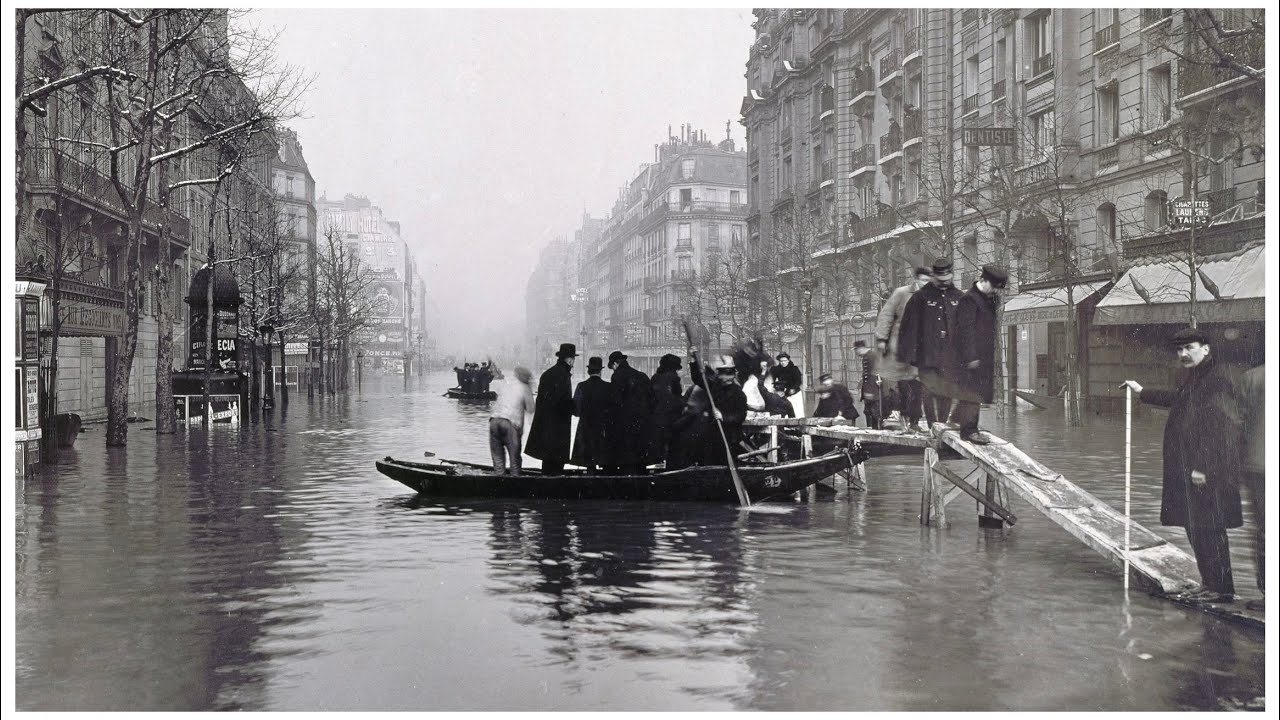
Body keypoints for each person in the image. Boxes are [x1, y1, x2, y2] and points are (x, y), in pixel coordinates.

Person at [1122, 327, 1245, 603]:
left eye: (1189, 347)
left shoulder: (1217, 380)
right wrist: (1142, 392)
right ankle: (1210, 583)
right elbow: (1179, 401)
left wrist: (1204, 466)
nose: (1183, 354)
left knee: (1210, 529)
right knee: (1197, 526)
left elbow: (1223, 428)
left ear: (1206, 348)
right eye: (1179, 350)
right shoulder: (1198, 377)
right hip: (1192, 469)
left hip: (1206, 471)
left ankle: (1221, 590)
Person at [896, 257, 966, 431]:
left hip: (951, 356)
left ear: (951, 276)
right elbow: (908, 327)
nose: (943, 283)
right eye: (939, 279)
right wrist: (908, 359)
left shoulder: (959, 297)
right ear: (934, 276)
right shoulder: (920, 298)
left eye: (946, 279)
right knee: (928, 391)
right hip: (926, 354)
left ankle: (941, 426)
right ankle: (933, 425)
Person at [953, 265, 1008, 444]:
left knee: (976, 392)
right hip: (971, 358)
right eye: (994, 287)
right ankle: (969, 431)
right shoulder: (969, 300)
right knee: (972, 393)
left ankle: (960, 420)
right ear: (983, 281)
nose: (995, 291)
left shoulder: (986, 299)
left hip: (982, 356)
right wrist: (970, 357)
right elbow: (965, 330)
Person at [877, 265, 932, 432]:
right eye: (923, 280)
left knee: (918, 387)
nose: (926, 284)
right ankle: (900, 418)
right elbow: (886, 314)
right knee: (901, 386)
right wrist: (882, 338)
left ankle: (914, 421)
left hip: (921, 348)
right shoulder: (901, 293)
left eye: (929, 281)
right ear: (916, 280)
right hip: (899, 346)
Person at [525, 343, 577, 474]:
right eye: (573, 360)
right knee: (557, 462)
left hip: (546, 425)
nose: (573, 363)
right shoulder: (564, 376)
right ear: (569, 360)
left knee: (547, 460)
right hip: (559, 426)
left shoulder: (548, 373)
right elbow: (563, 402)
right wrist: (575, 407)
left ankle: (547, 483)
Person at [1238, 363, 1265, 611]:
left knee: (1264, 532)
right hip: (1260, 466)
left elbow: (1239, 424)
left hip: (1260, 467)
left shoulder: (1253, 377)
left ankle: (1268, 593)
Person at [605, 351, 652, 474]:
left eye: (612, 367)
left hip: (624, 424)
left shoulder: (617, 376)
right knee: (640, 458)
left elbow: (615, 401)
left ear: (615, 364)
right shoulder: (642, 375)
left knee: (627, 459)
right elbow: (652, 399)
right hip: (642, 422)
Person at [488, 366, 535, 475]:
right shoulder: (525, 387)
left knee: (498, 461)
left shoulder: (506, 385)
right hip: (510, 424)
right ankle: (515, 485)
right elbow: (531, 409)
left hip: (494, 421)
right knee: (515, 461)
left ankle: (499, 483)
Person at [570, 356, 611, 473]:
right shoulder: (608, 387)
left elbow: (576, 411)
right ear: (600, 370)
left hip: (586, 428)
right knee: (605, 460)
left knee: (589, 462)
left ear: (589, 370)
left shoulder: (581, 386)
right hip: (604, 428)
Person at [648, 353, 685, 467]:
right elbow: (677, 396)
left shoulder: (655, 377)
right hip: (671, 417)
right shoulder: (673, 377)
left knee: (659, 447)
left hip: (656, 417)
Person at [854, 340, 886, 429]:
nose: (856, 353)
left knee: (874, 412)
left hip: (873, 390)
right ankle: (871, 430)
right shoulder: (867, 356)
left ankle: (876, 431)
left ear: (860, 348)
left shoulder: (871, 356)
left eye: (856, 350)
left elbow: (875, 374)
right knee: (868, 412)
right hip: (869, 389)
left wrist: (869, 391)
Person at [769, 352, 805, 418]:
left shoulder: (794, 369)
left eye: (784, 361)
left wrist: (794, 388)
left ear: (788, 360)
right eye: (781, 361)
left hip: (794, 393)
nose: (783, 363)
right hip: (783, 393)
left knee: (796, 411)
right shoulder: (776, 369)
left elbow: (798, 381)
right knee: (784, 411)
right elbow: (772, 380)